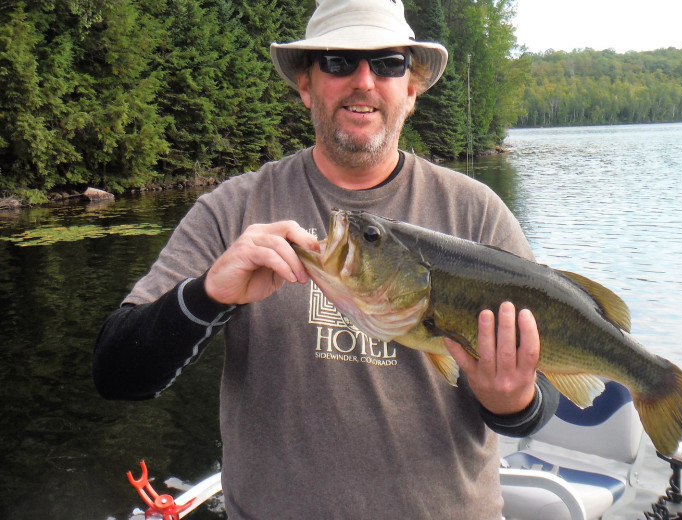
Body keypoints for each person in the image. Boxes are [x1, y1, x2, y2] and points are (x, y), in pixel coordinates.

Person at [93, 0, 558, 518]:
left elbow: (540, 405)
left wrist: (513, 399)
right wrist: (209, 295)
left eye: (387, 62)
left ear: (411, 90)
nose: (364, 80)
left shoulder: (476, 214)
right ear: (306, 85)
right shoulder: (234, 209)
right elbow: (116, 374)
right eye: (339, 60)